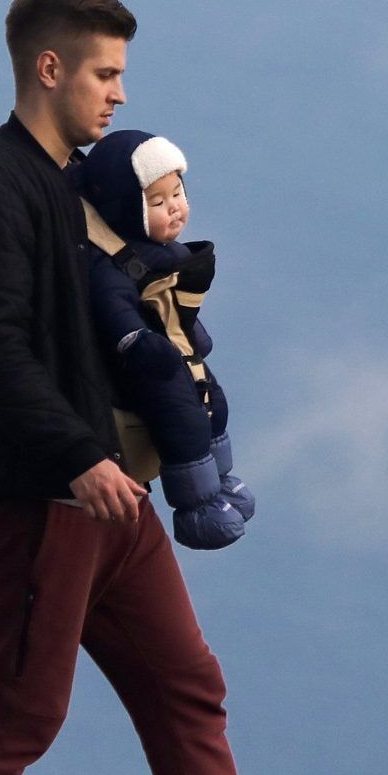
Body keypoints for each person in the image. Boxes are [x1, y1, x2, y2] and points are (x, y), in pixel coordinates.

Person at [0, 0, 378, 775]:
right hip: (48, 492)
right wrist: (76, 458)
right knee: (22, 704)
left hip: (108, 488)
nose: (118, 95)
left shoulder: (68, 182)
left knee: (185, 683)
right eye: (106, 74)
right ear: (50, 68)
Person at [70, 129, 257, 550]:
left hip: (175, 349)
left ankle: (221, 479)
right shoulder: (109, 264)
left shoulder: (146, 250)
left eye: (177, 193)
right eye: (156, 202)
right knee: (183, 422)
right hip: (152, 365)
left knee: (214, 404)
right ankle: (198, 506)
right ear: (125, 208)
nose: (174, 209)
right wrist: (135, 341)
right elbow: (114, 306)